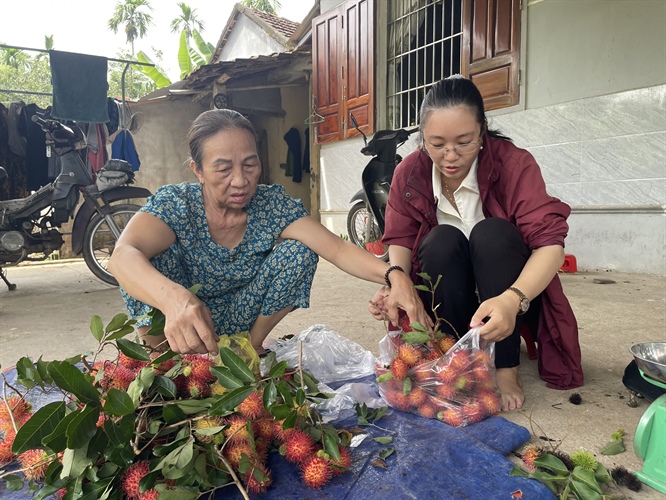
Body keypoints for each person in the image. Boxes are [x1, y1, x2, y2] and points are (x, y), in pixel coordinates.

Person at [108, 109, 431, 358]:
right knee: (144, 262)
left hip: (239, 317)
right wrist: (174, 299)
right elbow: (121, 257)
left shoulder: (271, 205)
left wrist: (393, 274)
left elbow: (336, 248)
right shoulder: (176, 205)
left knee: (300, 250)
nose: (240, 180)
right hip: (179, 322)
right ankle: (160, 360)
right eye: (223, 169)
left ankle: (249, 348)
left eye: (250, 165)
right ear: (197, 170)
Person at [368, 75, 583, 411]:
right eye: (437, 144)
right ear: (422, 137)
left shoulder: (514, 164)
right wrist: (396, 279)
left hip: (510, 296)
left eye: (464, 142)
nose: (450, 156)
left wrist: (513, 301)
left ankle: (505, 366)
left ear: (482, 131)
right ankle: (457, 359)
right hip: (448, 296)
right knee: (440, 239)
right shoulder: (410, 173)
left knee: (492, 233)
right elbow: (401, 239)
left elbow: (551, 248)